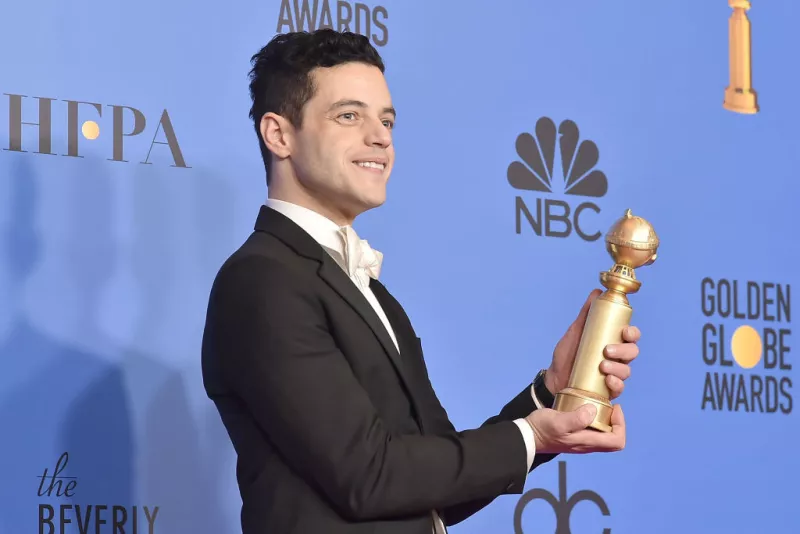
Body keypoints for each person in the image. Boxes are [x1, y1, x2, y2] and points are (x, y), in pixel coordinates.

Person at [201, 29, 641, 534]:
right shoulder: (263, 280)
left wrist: (549, 394)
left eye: (386, 119)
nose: (380, 136)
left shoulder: (370, 292)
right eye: (350, 116)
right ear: (279, 134)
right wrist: (532, 436)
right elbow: (368, 475)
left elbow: (436, 487)